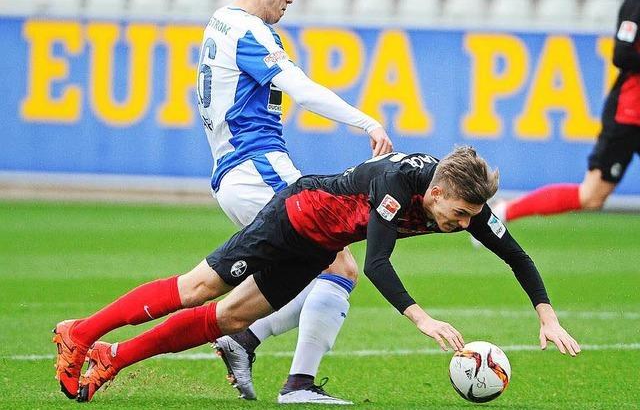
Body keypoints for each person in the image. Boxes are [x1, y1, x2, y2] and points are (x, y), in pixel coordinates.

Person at [52, 147, 581, 403]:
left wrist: (547, 318)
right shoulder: (398, 185)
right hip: (293, 217)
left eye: (470, 218)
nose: (462, 226)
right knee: (198, 288)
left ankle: (113, 359)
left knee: (226, 319)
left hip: (318, 244)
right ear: (437, 193)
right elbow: (376, 262)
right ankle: (82, 333)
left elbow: (518, 256)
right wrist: (422, 319)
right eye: (459, 215)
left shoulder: (461, 201)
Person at [196, 0, 392, 404]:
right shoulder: (248, 30)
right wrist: (367, 123)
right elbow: (301, 90)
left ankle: (246, 341)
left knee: (314, 267)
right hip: (258, 167)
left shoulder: (219, 23)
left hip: (234, 172)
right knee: (338, 267)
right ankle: (294, 382)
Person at [487, 0, 640, 226]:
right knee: (592, 195)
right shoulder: (636, 2)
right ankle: (506, 212)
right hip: (629, 115)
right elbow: (622, 54)